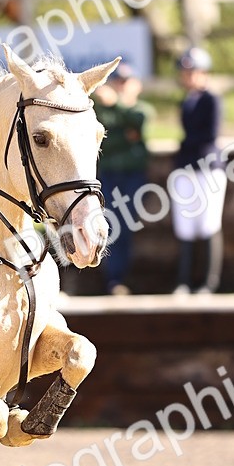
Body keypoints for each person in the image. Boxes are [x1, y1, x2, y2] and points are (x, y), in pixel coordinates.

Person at [170, 47, 226, 295]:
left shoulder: (211, 99)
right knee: (185, 225)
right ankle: (184, 280)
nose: (189, 76)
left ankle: (208, 282)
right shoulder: (186, 101)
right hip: (187, 167)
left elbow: (209, 134)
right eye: (186, 72)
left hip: (207, 166)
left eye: (193, 71)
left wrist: (185, 144)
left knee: (209, 223)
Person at [94, 61, 150, 295]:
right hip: (108, 175)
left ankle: (119, 278)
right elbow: (106, 142)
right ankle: (112, 279)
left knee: (125, 225)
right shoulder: (102, 111)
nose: (121, 86)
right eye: (117, 81)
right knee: (109, 225)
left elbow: (139, 120)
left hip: (132, 176)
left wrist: (117, 105)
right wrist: (123, 135)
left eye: (126, 81)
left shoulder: (141, 109)